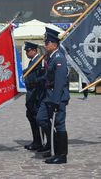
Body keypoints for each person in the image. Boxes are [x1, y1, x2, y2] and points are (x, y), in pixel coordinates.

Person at [36, 27, 70, 164]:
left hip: (57, 97)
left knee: (59, 124)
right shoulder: (51, 58)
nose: (45, 45)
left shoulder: (59, 58)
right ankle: (52, 147)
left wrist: (56, 100)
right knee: (41, 118)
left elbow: (60, 82)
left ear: (54, 44)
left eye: (47, 43)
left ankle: (61, 155)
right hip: (48, 95)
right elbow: (47, 76)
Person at [23, 42, 45, 151]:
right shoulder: (32, 62)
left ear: (34, 50)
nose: (26, 53)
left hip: (36, 96)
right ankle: (36, 141)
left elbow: (39, 79)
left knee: (37, 119)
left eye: (28, 50)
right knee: (31, 118)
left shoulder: (39, 61)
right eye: (26, 51)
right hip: (31, 95)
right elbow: (27, 73)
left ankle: (40, 142)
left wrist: (26, 80)